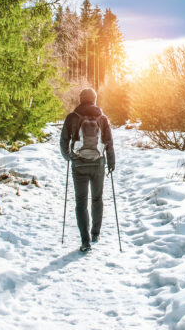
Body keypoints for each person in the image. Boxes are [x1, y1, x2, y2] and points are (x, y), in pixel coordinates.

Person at [60, 88, 115, 252]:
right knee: (97, 199)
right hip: (98, 164)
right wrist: (111, 162)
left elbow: (63, 140)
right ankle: (96, 233)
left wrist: (68, 157)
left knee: (81, 202)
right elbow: (109, 142)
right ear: (94, 100)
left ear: (81, 100)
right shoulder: (103, 119)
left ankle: (85, 241)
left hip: (78, 165)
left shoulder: (72, 117)